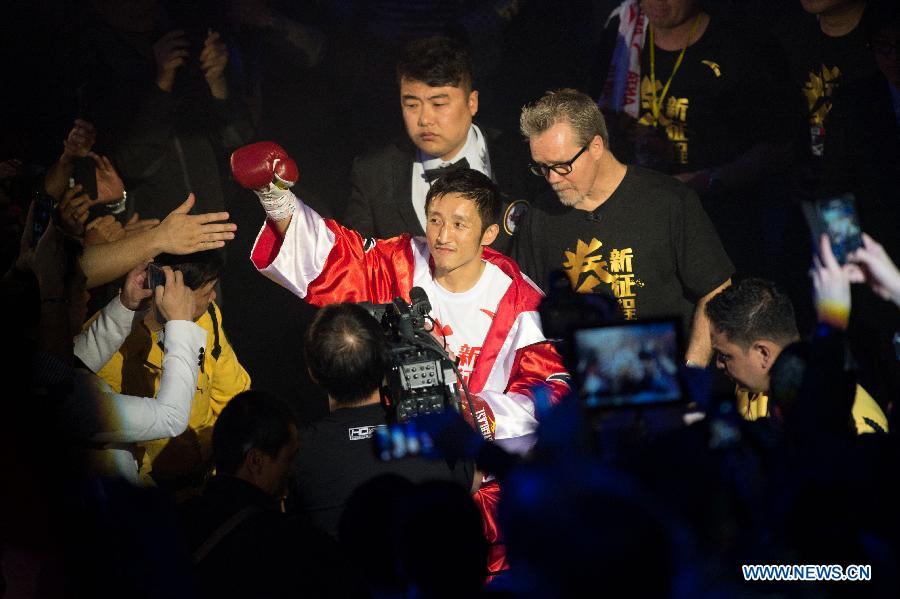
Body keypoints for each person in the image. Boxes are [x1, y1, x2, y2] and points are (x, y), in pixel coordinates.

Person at [231, 142, 570, 574]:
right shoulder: (401, 261)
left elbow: (554, 390)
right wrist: (275, 199)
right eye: (435, 220)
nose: (442, 235)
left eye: (459, 224)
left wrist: (480, 414)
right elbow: (336, 260)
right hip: (397, 460)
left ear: (488, 234)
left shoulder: (521, 300)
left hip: (478, 482)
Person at [513, 88, 733, 366]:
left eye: (562, 165)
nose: (552, 178)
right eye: (542, 167)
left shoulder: (668, 201)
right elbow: (523, 310)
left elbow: (716, 287)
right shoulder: (540, 216)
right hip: (585, 387)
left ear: (595, 146)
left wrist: (693, 370)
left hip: (667, 378)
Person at [289, 303, 474, 539]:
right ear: (384, 361)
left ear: (312, 372)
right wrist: (446, 385)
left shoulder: (295, 455)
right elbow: (469, 480)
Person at [341, 35, 539, 253]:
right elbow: (355, 267)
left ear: (472, 103)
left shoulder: (522, 158)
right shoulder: (373, 174)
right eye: (412, 105)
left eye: (438, 104)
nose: (425, 119)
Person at [92, 249, 251, 499]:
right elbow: (125, 455)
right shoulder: (108, 352)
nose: (213, 298)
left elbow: (233, 396)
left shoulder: (207, 318)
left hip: (211, 477)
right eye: (207, 291)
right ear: (172, 293)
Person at [180, 390, 342, 599]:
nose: (293, 470)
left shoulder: (172, 529)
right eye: (289, 459)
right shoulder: (291, 546)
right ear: (256, 461)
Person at [704, 267, 888, 434]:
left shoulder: (856, 429)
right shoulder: (754, 387)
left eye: (725, 356)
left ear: (763, 354)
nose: (719, 364)